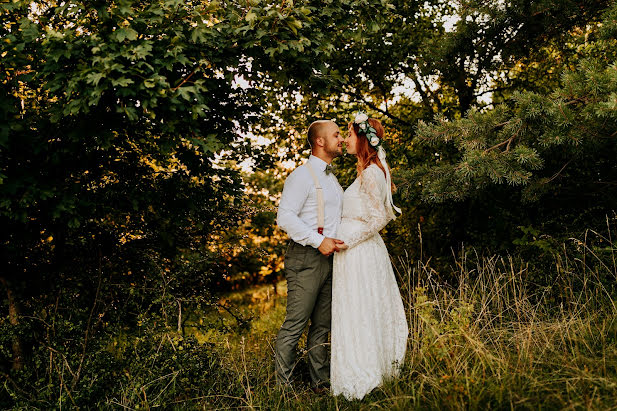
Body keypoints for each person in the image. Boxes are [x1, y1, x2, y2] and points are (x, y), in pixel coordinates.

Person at [330, 113, 409, 400]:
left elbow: (381, 216)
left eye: (350, 135)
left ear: (362, 139)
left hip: (360, 252)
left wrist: (348, 240)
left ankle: (369, 373)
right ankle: (360, 367)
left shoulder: (374, 172)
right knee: (354, 309)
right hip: (351, 253)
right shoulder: (364, 171)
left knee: (361, 307)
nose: (346, 140)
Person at [275, 119, 347, 392]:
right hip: (306, 257)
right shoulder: (302, 176)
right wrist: (319, 241)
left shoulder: (332, 178)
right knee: (295, 326)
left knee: (321, 326)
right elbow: (285, 217)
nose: (341, 139)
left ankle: (321, 383)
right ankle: (284, 388)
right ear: (320, 141)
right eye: (336, 135)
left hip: (331, 259)